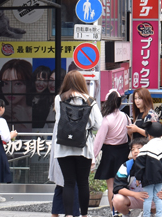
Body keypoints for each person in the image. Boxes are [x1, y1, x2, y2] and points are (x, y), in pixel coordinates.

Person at [54, 70, 103, 217]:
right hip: (83, 148)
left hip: (63, 147)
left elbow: (58, 121)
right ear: (82, 83)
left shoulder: (59, 99)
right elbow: (99, 125)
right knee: (83, 182)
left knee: (68, 182)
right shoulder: (90, 101)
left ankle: (68, 215)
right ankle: (84, 215)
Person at [113, 137, 162, 215]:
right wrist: (135, 194)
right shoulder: (126, 166)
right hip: (133, 198)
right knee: (117, 199)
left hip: (153, 199)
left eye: (139, 148)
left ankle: (152, 213)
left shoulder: (159, 166)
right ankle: (128, 215)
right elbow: (118, 187)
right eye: (133, 149)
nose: (135, 151)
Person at [94, 90, 131, 208]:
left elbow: (99, 140)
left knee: (111, 186)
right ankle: (123, 210)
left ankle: (113, 211)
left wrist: (92, 157)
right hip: (124, 152)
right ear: (120, 103)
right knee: (122, 185)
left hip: (109, 153)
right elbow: (130, 133)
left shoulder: (107, 119)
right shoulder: (125, 117)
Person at [133, 122, 162, 217]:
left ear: (149, 135)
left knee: (148, 198)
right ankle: (159, 215)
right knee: (158, 197)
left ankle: (146, 215)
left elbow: (140, 166)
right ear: (161, 134)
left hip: (148, 177)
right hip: (161, 176)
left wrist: (138, 177)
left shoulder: (145, 149)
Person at [49, 121, 81, 217]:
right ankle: (70, 214)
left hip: (61, 155)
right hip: (72, 155)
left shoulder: (60, 116)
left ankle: (57, 214)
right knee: (70, 184)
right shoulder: (76, 115)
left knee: (62, 185)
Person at [0, 59, 34, 132]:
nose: (10, 90)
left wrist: (25, 121)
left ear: (28, 85)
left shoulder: (36, 112)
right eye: (6, 83)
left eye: (18, 84)